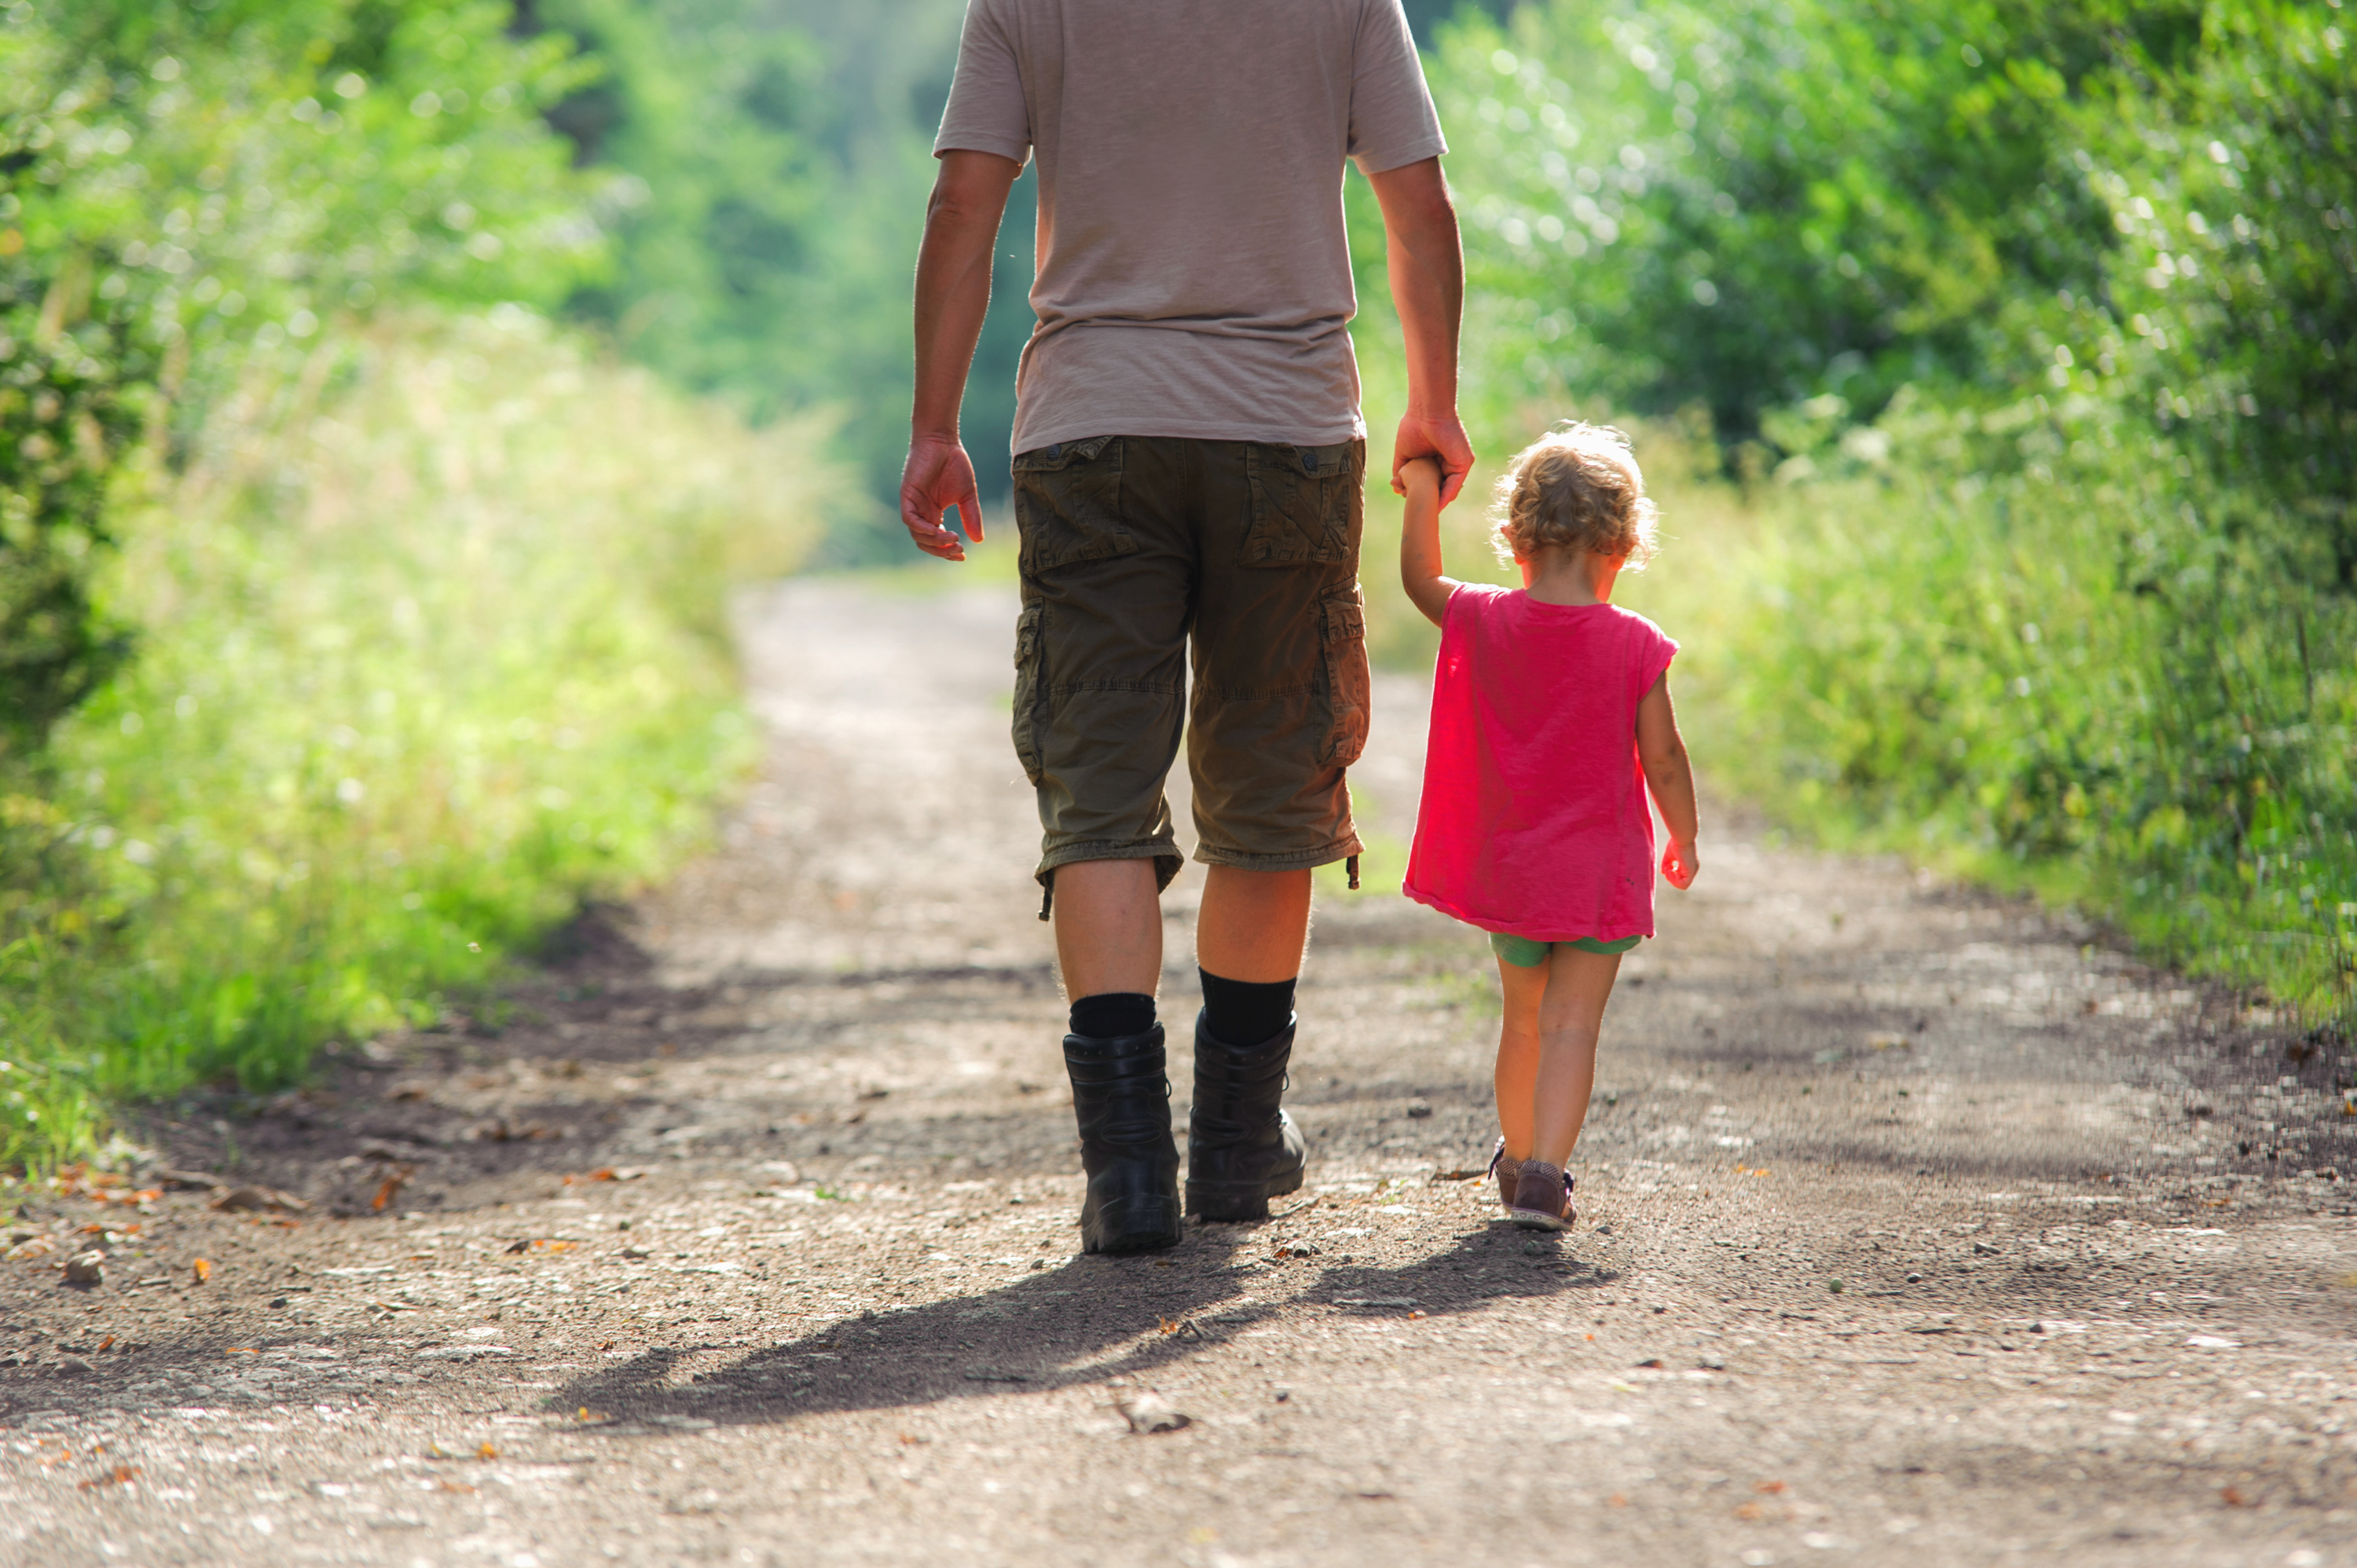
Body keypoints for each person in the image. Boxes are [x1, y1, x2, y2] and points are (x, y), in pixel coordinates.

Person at [900, 0, 1472, 1254]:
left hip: (1092, 425)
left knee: (1099, 790)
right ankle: (1229, 1148)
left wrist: (935, 428)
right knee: (1273, 779)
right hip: (1289, 425)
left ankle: (1129, 1174)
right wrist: (1433, 403)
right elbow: (1417, 207)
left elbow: (963, 210)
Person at [1395, 426, 1701, 1230]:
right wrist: (1685, 835)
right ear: (1629, 545)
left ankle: (1521, 1157)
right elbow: (1664, 757)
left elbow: (1420, 578)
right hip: (1598, 875)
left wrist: (1423, 486)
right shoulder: (1635, 644)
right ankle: (1546, 1179)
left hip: (1513, 873)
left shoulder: (1484, 619)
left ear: (1512, 539)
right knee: (1573, 1025)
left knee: (1523, 1018)